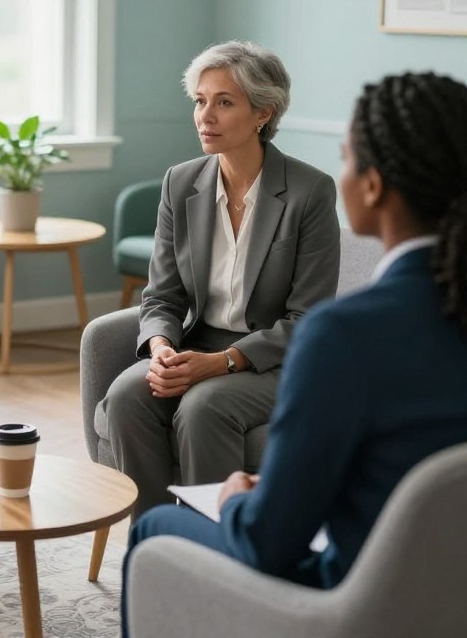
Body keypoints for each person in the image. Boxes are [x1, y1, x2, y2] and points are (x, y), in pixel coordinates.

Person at [122, 71, 467, 634]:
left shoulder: (345, 335)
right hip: (447, 595)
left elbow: (267, 542)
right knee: (130, 397)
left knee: (154, 529)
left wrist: (234, 497)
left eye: (346, 158)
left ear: (374, 186)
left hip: (351, 601)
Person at [104, 41, 340, 518]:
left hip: (274, 359)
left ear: (262, 113)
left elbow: (307, 320)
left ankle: (213, 554)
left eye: (224, 102)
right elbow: (162, 295)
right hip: (197, 341)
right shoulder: (180, 182)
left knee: (204, 407)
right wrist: (162, 349)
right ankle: (157, 542)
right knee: (128, 395)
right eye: (200, 100)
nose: (204, 116)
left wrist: (223, 362)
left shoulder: (309, 191)